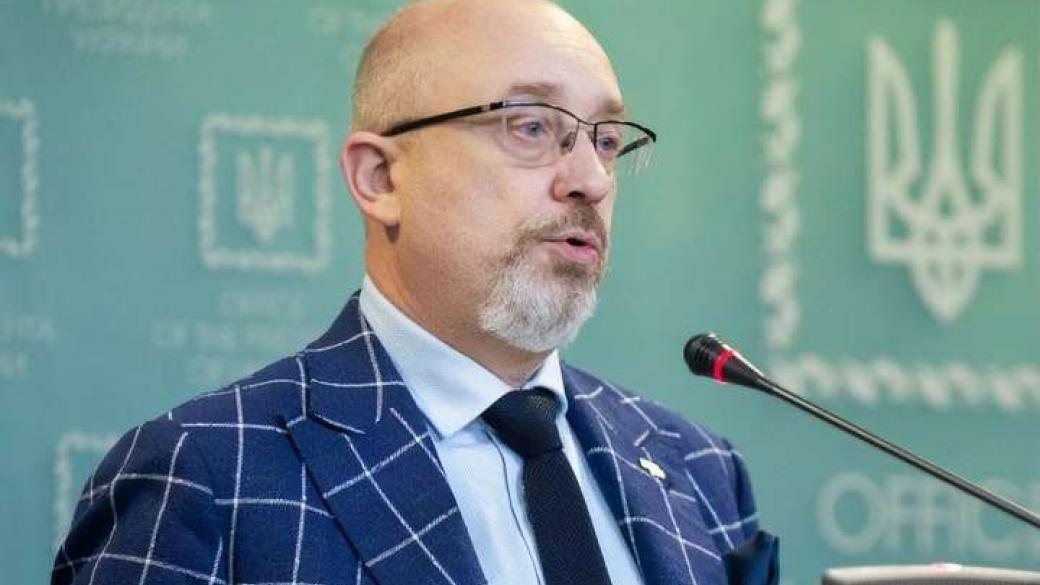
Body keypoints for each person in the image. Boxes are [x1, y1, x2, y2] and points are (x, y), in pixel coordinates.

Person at [53, 1, 775, 584]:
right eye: (531, 126)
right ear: (380, 179)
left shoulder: (699, 469)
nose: (589, 178)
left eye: (607, 140)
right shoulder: (209, 475)